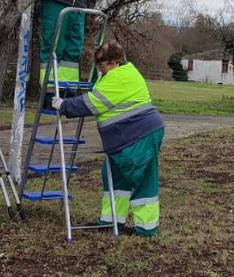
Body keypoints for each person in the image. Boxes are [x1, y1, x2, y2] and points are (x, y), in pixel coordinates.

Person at [52, 41, 164, 236]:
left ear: (117, 61)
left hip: (138, 135)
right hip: (126, 137)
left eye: (105, 63)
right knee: (113, 176)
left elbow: (93, 104)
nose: (101, 67)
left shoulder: (119, 78)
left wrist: (64, 105)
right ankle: (110, 221)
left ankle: (146, 228)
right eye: (99, 63)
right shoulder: (116, 73)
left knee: (142, 178)